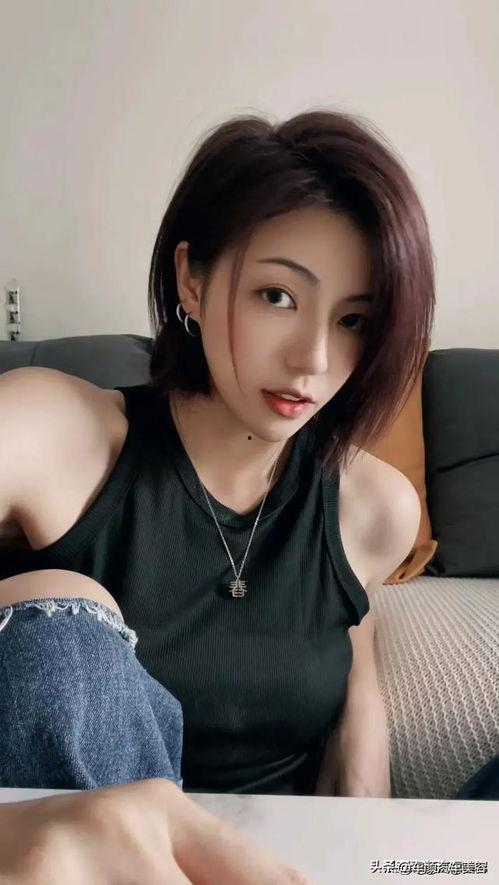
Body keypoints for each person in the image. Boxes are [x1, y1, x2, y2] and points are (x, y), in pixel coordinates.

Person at [0, 109, 434, 880]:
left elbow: (355, 728)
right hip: (70, 858)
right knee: (60, 616)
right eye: (276, 295)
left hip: (278, 863)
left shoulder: (373, 507)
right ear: (191, 279)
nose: (313, 358)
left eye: (354, 319)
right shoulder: (50, 431)